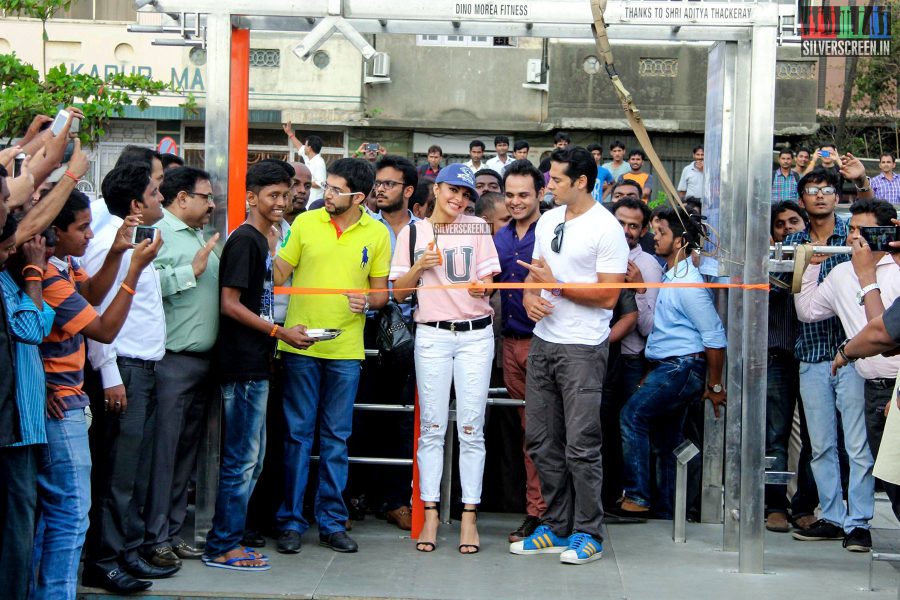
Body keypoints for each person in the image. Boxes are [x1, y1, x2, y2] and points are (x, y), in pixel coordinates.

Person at [36, 190, 160, 598]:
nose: (91, 235)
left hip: (71, 398)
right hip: (60, 403)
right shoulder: (47, 276)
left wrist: (115, 257)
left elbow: (90, 296)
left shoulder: (64, 264)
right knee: (71, 515)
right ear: (54, 231)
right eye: (82, 227)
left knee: (63, 515)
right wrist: (133, 272)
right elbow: (104, 329)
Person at [510, 147, 628, 565]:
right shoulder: (548, 219)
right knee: (541, 440)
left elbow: (609, 295)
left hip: (582, 347)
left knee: (581, 445)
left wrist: (556, 287)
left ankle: (588, 532)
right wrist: (528, 299)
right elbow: (534, 272)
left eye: (556, 179)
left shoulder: (606, 228)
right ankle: (556, 526)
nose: (549, 186)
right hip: (544, 340)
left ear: (581, 181)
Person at [273, 158, 390, 554]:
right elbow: (278, 275)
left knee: (337, 439)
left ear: (358, 197)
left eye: (336, 190)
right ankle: (290, 521)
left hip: (345, 349)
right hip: (298, 344)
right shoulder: (305, 223)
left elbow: (380, 295)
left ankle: (332, 523)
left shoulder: (377, 233)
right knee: (296, 436)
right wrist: (265, 241)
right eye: (328, 187)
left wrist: (369, 302)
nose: (327, 195)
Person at [203, 162, 316, 571]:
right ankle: (222, 545)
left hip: (256, 363)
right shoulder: (246, 241)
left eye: (286, 195)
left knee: (253, 459)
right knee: (241, 461)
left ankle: (228, 540)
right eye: (273, 195)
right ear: (251, 197)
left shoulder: (264, 240)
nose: (281, 203)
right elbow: (229, 303)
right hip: (242, 364)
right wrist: (278, 332)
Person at [391, 163, 500, 554]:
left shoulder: (477, 229)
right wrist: (421, 266)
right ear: (436, 189)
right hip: (433, 335)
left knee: (472, 428)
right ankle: (431, 512)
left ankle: (469, 515)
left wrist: (482, 287)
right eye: (453, 190)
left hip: (475, 335)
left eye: (466, 194)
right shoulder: (413, 231)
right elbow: (399, 294)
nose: (459, 199)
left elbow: (489, 284)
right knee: (432, 428)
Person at [82, 163, 178, 592]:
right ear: (137, 203)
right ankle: (104, 559)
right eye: (156, 193)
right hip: (124, 369)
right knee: (117, 473)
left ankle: (128, 550)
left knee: (136, 472)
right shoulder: (110, 244)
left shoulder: (137, 242)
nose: (162, 198)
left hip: (145, 367)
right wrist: (109, 374)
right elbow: (96, 314)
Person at [794, 199, 900, 553]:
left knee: (863, 453)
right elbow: (808, 311)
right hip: (864, 375)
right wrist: (810, 268)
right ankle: (836, 517)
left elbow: (884, 331)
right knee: (829, 446)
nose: (855, 237)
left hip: (891, 381)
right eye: (851, 229)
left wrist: (869, 277)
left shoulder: (896, 269)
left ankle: (859, 522)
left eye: (864, 231)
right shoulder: (840, 272)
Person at [782, 161, 875, 546]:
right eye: (812, 190)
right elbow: (787, 289)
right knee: (820, 445)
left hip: (853, 353)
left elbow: (878, 224)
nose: (819, 195)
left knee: (856, 443)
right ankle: (832, 516)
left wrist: (863, 183)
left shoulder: (851, 234)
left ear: (837, 197)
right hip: (811, 352)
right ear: (802, 198)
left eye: (826, 189)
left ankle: (860, 524)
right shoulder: (794, 243)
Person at [615, 207, 726, 519]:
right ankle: (667, 508)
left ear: (679, 242)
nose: (655, 237)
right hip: (671, 366)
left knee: (631, 415)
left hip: (682, 367)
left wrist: (715, 386)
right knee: (667, 441)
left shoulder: (687, 282)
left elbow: (715, 337)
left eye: (661, 232)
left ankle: (637, 496)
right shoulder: (671, 275)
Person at [143, 166, 220, 567]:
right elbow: (144, 284)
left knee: (185, 456)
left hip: (202, 363)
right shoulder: (160, 234)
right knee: (164, 455)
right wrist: (188, 272)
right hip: (171, 360)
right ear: (181, 198)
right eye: (205, 196)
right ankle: (153, 537)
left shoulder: (198, 236)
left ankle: (172, 533)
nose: (212, 203)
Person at [0, 220, 54, 600]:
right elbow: (33, 329)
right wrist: (33, 275)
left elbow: (44, 320)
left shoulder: (15, 285)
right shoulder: (9, 283)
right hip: (14, 426)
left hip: (28, 424)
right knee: (17, 526)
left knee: (28, 519)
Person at [494, 160, 546, 543]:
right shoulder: (500, 237)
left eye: (523, 194)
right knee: (528, 432)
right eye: (509, 195)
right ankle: (536, 511)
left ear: (540, 194)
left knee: (544, 434)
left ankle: (546, 514)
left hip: (545, 343)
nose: (515, 201)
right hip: (507, 344)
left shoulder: (554, 232)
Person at [765, 201, 810, 532]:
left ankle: (806, 505)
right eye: (780, 224)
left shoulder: (821, 258)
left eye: (794, 222)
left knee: (815, 438)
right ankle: (775, 505)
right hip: (778, 356)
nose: (787, 229)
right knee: (775, 435)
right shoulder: (769, 265)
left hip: (813, 357)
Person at [283, 123, 327, 206]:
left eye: (306, 145)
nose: (304, 147)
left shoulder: (319, 163)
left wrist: (303, 183)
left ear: (309, 148)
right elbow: (299, 147)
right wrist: (290, 133)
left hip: (313, 202)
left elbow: (320, 183)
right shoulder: (308, 157)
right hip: (306, 200)